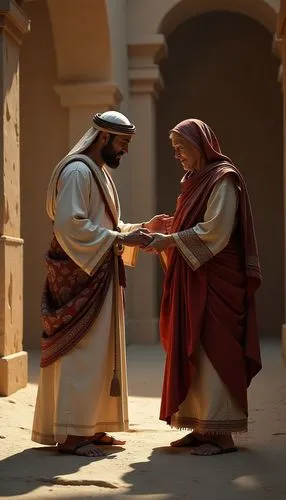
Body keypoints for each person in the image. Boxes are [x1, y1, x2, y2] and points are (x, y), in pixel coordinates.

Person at [31, 110, 168, 457]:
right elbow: (71, 226)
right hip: (80, 278)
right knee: (82, 353)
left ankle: (90, 427)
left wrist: (134, 230)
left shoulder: (99, 173)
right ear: (103, 137)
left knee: (99, 353)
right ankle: (73, 434)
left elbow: (104, 224)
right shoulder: (78, 172)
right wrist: (120, 239)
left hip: (98, 274)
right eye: (122, 143)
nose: (125, 151)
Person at [145, 118, 262, 456]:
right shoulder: (194, 181)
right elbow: (192, 226)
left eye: (181, 148)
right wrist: (171, 227)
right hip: (195, 278)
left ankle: (221, 434)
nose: (177, 155)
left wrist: (170, 240)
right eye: (174, 150)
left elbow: (215, 232)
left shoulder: (223, 179)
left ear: (199, 145)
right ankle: (200, 426)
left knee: (214, 352)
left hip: (216, 283)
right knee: (192, 347)